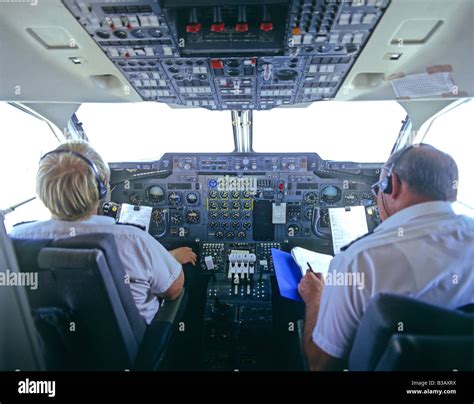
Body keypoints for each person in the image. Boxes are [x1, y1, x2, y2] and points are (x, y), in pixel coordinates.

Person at [297, 143, 474, 371]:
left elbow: (320, 364)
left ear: (393, 185)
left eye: (378, 188)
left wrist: (315, 299)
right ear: (454, 191)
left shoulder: (359, 261)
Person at [9, 141, 197, 324]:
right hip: (134, 350)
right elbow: (173, 290)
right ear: (102, 189)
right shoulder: (132, 240)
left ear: (40, 190)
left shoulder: (15, 240)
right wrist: (169, 256)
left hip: (50, 350)